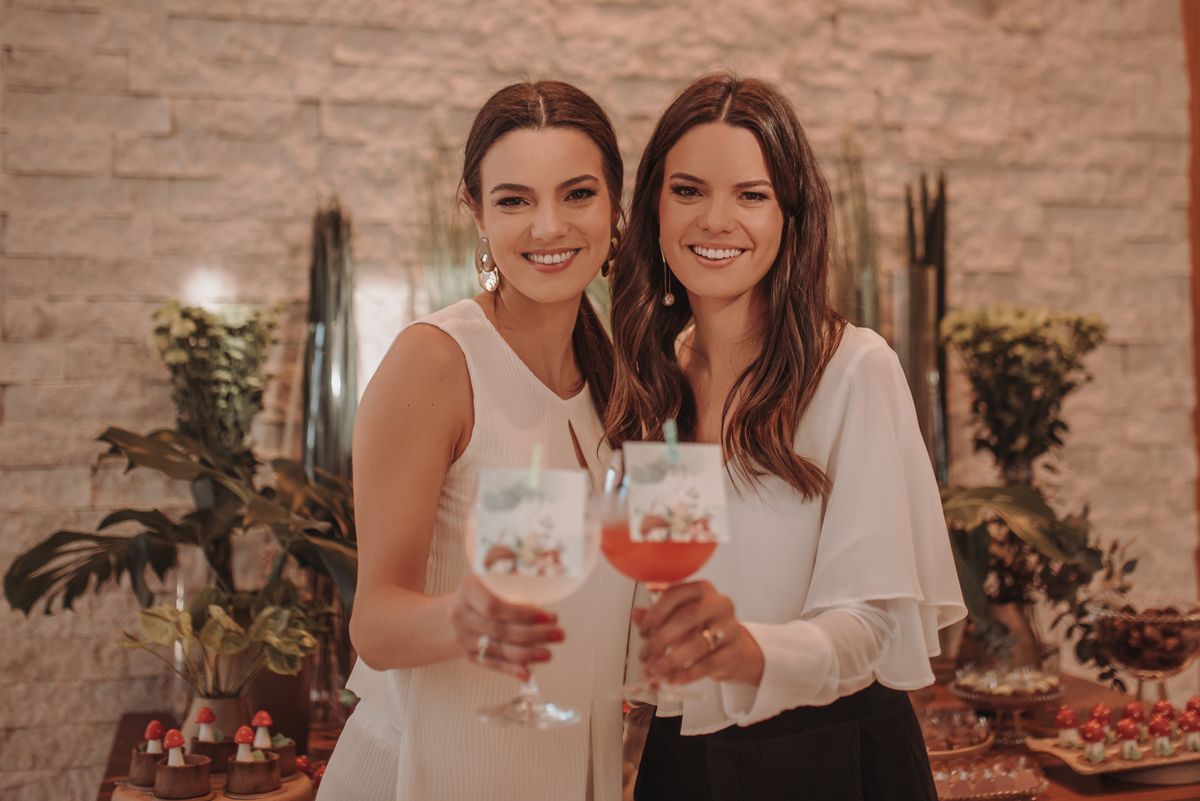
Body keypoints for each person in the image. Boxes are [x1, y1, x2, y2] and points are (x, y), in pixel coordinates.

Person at [605, 73, 967, 800]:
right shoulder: (649, 381)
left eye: (752, 194)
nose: (716, 219)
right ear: (653, 211)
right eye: (688, 190)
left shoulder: (854, 368)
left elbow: (871, 623)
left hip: (830, 759)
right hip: (679, 762)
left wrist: (750, 652)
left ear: (790, 218)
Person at [318, 81, 636, 801]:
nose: (548, 226)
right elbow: (374, 624)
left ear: (615, 208)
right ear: (477, 213)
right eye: (515, 200)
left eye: (577, 194)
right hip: (430, 770)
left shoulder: (615, 377)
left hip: (565, 773)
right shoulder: (435, 360)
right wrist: (459, 616)